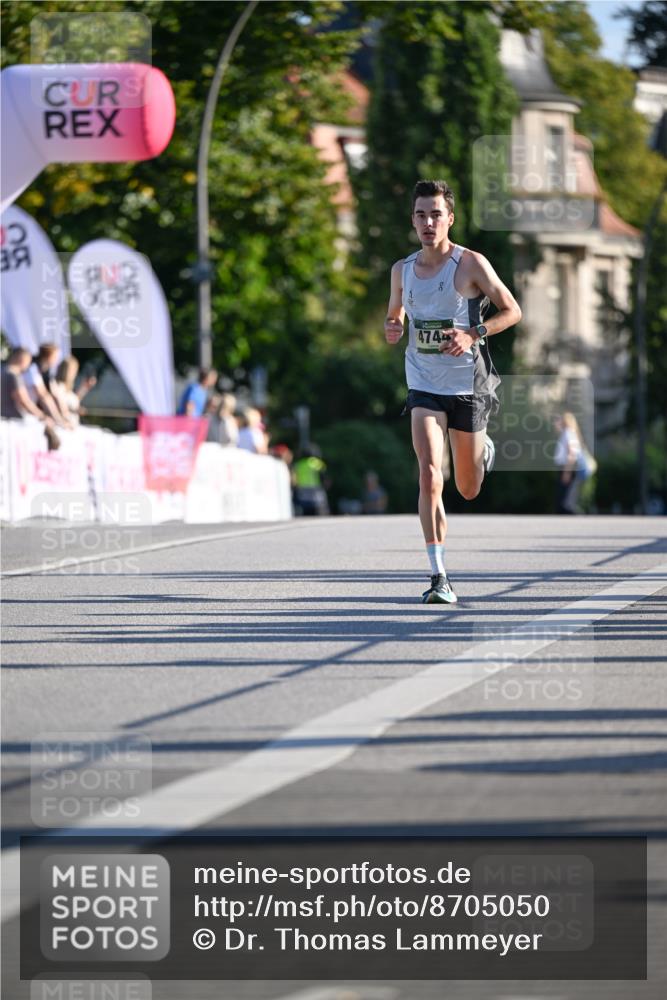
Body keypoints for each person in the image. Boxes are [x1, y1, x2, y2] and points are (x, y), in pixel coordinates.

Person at [385, 179, 522, 604]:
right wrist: (393, 327)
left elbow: (512, 311)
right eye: (421, 215)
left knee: (468, 488)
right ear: (413, 221)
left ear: (450, 219)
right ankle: (439, 575)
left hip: (467, 385)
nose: (428, 223)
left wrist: (473, 333)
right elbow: (395, 314)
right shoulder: (402, 270)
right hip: (423, 382)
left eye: (436, 215)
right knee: (429, 474)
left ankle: (482, 451)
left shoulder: (471, 264)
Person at [0, 347, 59, 446]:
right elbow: (24, 400)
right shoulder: (14, 375)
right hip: (13, 422)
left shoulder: (2, 370)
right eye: (28, 361)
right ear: (22, 359)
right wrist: (42, 416)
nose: (28, 365)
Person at [553, 412, 586, 514]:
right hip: (567, 466)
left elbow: (571, 453)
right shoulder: (568, 433)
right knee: (565, 495)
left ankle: (570, 513)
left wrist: (567, 471)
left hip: (568, 466)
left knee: (565, 497)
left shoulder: (568, 433)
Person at [53, 356, 96, 426]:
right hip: (64, 425)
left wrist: (86, 387)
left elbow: (74, 400)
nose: (75, 374)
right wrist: (76, 410)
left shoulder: (67, 388)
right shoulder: (58, 387)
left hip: (72, 424)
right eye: (73, 371)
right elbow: (60, 407)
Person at [292, 444, 330, 516]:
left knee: (306, 510)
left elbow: (294, 478)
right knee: (319, 508)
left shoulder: (298, 464)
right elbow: (323, 476)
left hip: (303, 489)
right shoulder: (317, 463)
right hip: (316, 489)